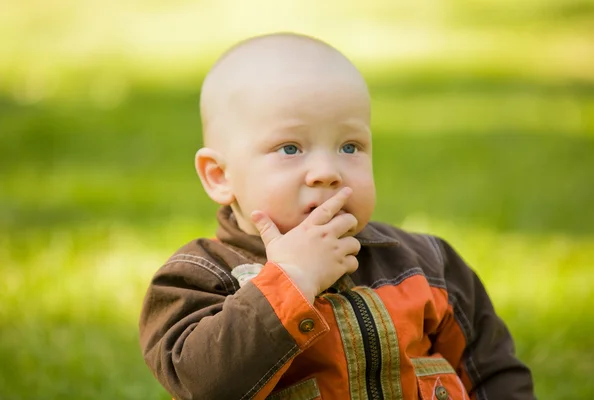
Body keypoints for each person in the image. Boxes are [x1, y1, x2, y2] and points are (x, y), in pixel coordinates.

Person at [138, 32, 535, 400]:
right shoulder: (198, 279)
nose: (327, 171)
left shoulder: (426, 265)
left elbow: (492, 372)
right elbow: (202, 384)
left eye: (350, 146)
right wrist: (289, 284)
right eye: (290, 148)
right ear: (220, 176)